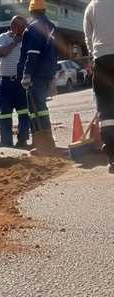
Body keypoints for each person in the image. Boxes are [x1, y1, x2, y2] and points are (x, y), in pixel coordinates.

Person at [18, 0, 58, 155]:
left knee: (35, 108)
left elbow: (32, 53)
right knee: (41, 107)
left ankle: (43, 145)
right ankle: (47, 142)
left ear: (32, 12)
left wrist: (27, 74)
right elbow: (53, 52)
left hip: (36, 74)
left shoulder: (33, 28)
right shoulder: (52, 27)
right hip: (47, 72)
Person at [84, 0, 114, 174]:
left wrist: (94, 56)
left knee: (106, 113)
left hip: (102, 62)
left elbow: (88, 38)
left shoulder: (91, 6)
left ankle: (113, 159)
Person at [0, 15, 29, 148]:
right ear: (12, 26)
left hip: (21, 82)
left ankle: (23, 140)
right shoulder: (3, 37)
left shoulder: (27, 38)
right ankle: (6, 140)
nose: (22, 29)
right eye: (19, 26)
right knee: (4, 113)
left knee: (23, 111)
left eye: (23, 27)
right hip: (6, 82)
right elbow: (0, 52)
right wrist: (14, 42)